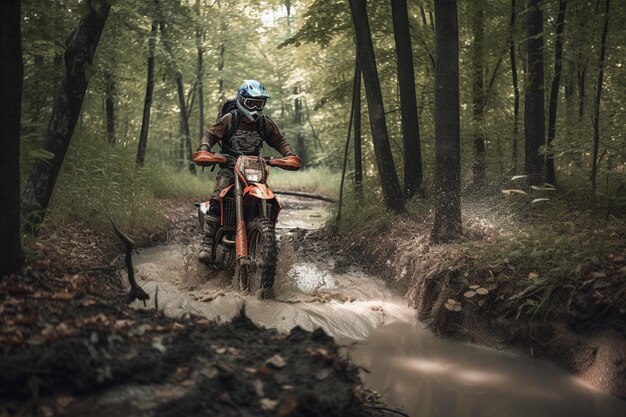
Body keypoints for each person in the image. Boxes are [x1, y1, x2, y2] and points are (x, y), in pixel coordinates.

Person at [196, 80, 297, 263]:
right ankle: (207, 242)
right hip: (230, 167)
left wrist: (289, 154)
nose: (256, 108)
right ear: (242, 101)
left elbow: (279, 140)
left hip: (254, 168)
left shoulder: (265, 123)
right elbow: (211, 134)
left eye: (260, 104)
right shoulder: (230, 119)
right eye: (252, 103)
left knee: (269, 199)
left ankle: (266, 240)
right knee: (219, 194)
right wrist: (204, 149)